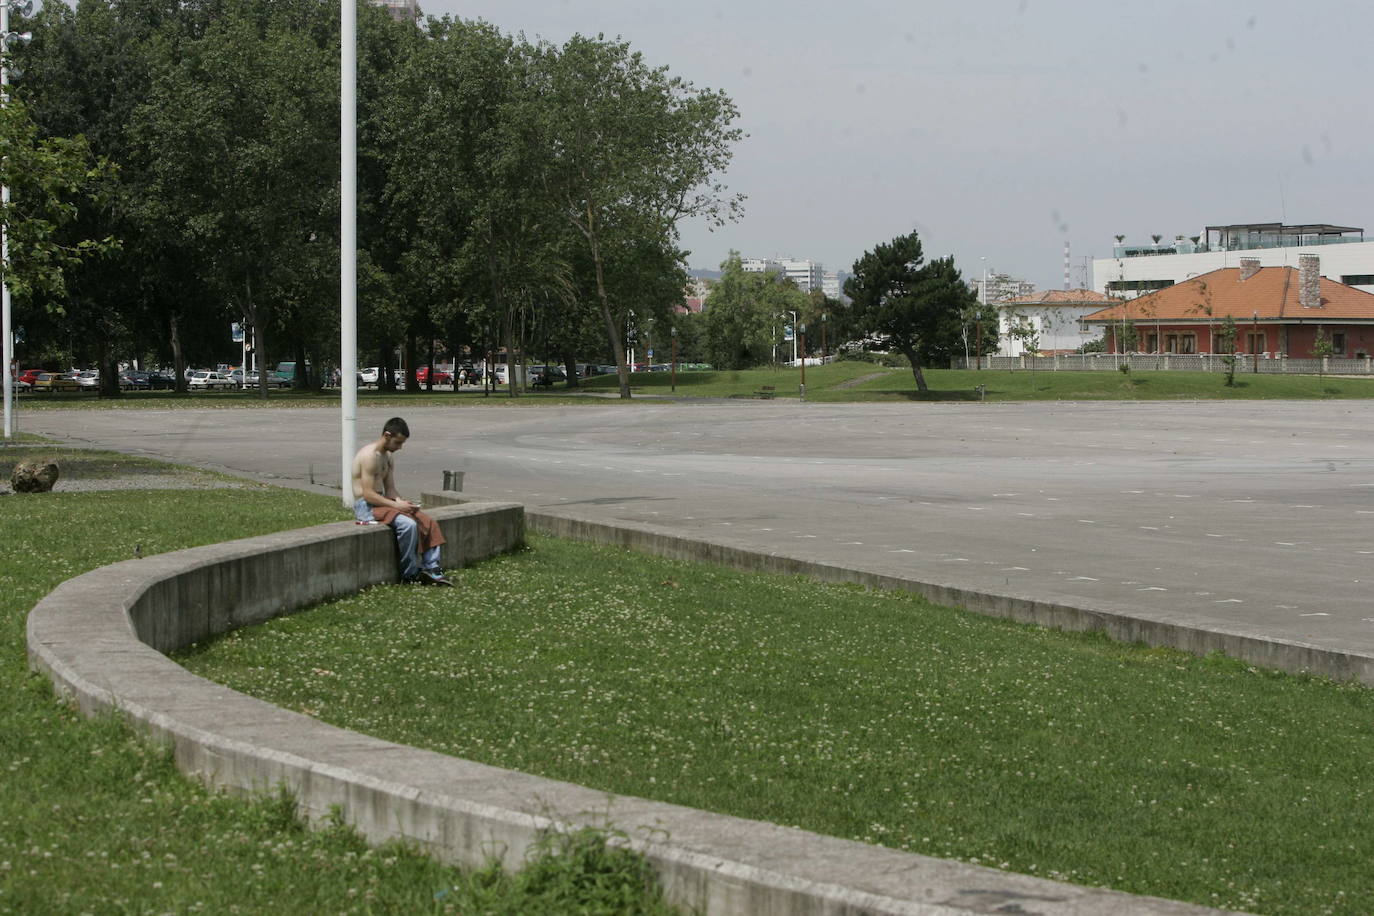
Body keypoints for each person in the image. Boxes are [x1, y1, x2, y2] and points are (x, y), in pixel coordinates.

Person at [351, 417, 453, 586]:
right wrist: (396, 505)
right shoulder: (369, 456)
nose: (400, 447)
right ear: (387, 435)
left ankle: (432, 568)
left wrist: (403, 503)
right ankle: (409, 574)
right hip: (366, 506)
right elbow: (368, 495)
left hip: (383, 501)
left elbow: (390, 489)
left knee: (428, 521)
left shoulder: (388, 456)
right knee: (408, 525)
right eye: (398, 442)